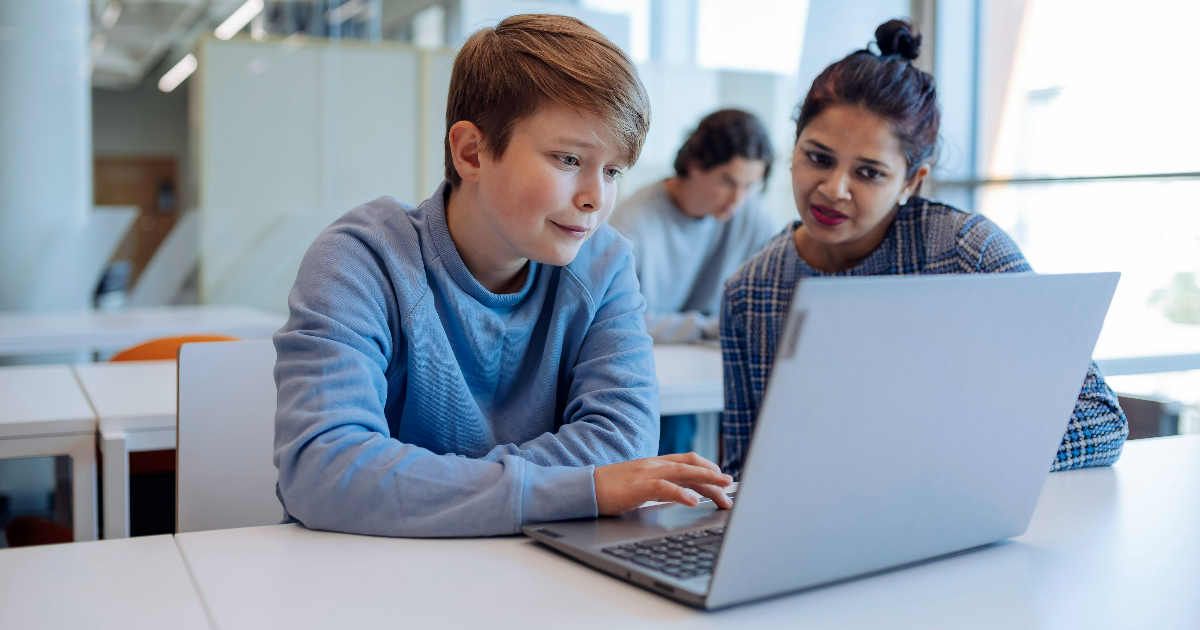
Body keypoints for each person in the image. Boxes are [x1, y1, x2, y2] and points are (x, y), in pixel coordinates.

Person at [273, 15, 732, 539]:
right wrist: (580, 489)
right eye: (569, 159)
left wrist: (420, 485)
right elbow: (326, 472)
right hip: (373, 574)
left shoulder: (604, 263)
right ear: (471, 152)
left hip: (533, 576)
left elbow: (622, 444)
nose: (596, 199)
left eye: (612, 172)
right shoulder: (361, 259)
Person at [720, 20, 1128, 479]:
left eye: (869, 173)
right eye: (819, 158)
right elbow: (746, 472)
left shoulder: (967, 253)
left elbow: (1099, 420)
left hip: (961, 513)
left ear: (911, 182)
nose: (834, 189)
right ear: (794, 149)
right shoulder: (750, 292)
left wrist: (943, 467)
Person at [610, 109, 778, 454]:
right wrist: (708, 328)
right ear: (695, 164)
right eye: (728, 181)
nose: (738, 199)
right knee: (669, 429)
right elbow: (621, 319)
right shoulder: (634, 224)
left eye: (750, 186)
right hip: (659, 363)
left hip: (712, 359)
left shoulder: (750, 214)